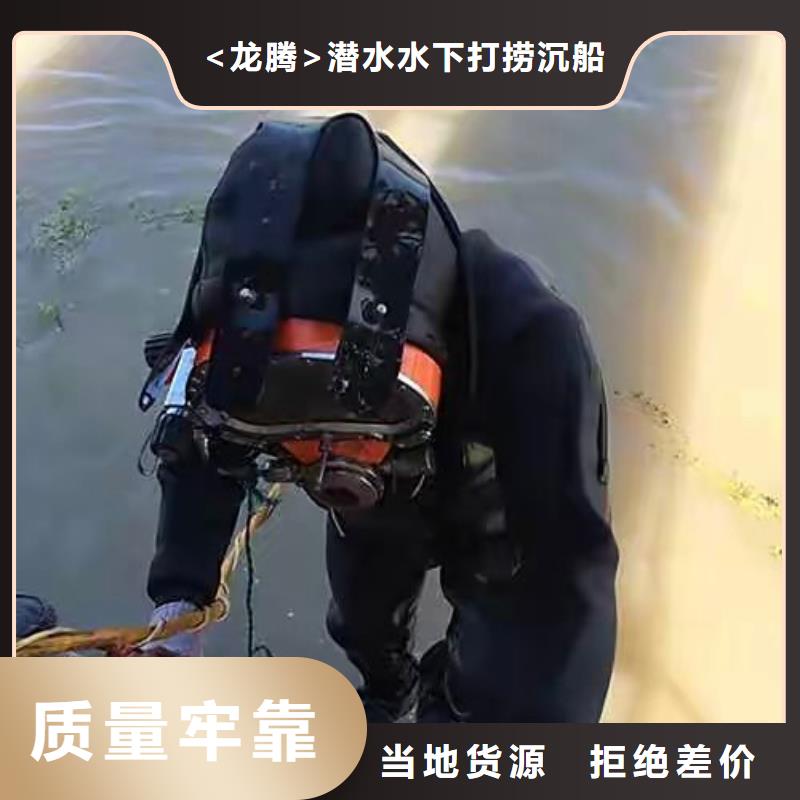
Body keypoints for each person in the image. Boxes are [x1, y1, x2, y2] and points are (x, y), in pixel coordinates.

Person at [135, 113, 619, 723]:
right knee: (363, 614)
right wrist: (180, 604)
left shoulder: (532, 341)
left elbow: (563, 606)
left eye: (352, 421)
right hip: (368, 506)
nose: (321, 454)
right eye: (292, 423)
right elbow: (201, 442)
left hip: (490, 488)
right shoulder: (234, 327)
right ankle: (389, 692)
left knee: (500, 679)